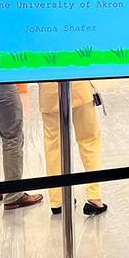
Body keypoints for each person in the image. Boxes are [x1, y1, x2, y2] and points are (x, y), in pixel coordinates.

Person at [39, 81, 105, 216]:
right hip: (79, 88)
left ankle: (57, 200)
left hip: (49, 94)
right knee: (89, 142)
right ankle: (94, 197)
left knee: (53, 147)